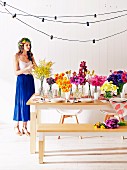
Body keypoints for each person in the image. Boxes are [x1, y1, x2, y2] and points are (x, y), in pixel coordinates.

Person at [13, 38, 37, 136]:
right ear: (22, 45)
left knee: (28, 102)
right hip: (21, 80)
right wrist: (27, 68)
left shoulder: (30, 56)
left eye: (29, 45)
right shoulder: (17, 56)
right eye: (27, 45)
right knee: (20, 102)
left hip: (30, 80)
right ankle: (16, 126)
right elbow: (16, 72)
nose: (29, 47)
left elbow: (36, 67)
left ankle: (25, 127)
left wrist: (42, 70)